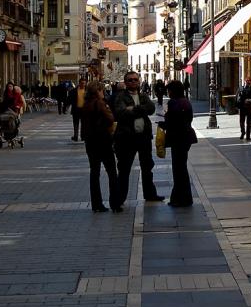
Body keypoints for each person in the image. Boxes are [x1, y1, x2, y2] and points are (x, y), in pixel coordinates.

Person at [112, 70, 164, 210]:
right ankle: (119, 199)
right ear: (126, 82)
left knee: (147, 167)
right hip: (126, 139)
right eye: (130, 80)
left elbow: (151, 108)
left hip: (143, 138)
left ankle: (150, 194)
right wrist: (140, 110)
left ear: (139, 81)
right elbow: (120, 113)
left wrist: (132, 109)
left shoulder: (143, 96)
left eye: (135, 79)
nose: (133, 82)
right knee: (124, 169)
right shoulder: (120, 97)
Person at [80, 81, 118, 212]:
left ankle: (96, 204)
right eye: (102, 90)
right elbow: (110, 118)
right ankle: (115, 202)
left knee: (94, 172)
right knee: (112, 172)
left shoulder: (86, 104)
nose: (103, 92)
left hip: (90, 142)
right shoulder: (100, 103)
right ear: (98, 91)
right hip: (103, 140)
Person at [162, 80, 196, 207]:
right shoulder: (186, 101)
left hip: (178, 138)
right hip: (186, 137)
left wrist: (164, 123)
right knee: (182, 168)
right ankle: (184, 197)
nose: (168, 92)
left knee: (178, 169)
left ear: (173, 91)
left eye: (169, 90)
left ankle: (180, 199)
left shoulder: (173, 102)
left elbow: (173, 121)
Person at [236, 76, 251, 141]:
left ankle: (248, 136)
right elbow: (237, 97)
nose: (248, 82)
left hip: (249, 108)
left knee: (248, 122)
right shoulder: (240, 88)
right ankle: (243, 132)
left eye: (249, 81)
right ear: (245, 81)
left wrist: (250, 101)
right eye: (247, 80)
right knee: (241, 122)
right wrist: (237, 105)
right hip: (242, 108)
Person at [66, 76, 88, 141]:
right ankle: (75, 136)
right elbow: (69, 99)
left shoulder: (87, 91)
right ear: (79, 83)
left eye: (84, 83)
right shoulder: (74, 91)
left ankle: (83, 136)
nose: (83, 85)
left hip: (84, 110)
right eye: (82, 83)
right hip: (76, 109)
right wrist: (66, 106)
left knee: (83, 124)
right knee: (76, 124)